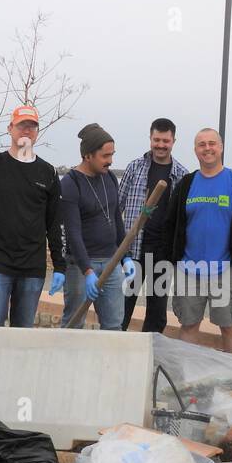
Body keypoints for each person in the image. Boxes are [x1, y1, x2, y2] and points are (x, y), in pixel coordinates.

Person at [0, 105, 66, 326]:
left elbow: (54, 223)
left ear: (37, 131)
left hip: (32, 269)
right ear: (10, 128)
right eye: (21, 126)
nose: (26, 131)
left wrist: (59, 266)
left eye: (31, 127)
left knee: (21, 339)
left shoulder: (49, 173)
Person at [161, 127, 232, 354]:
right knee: (188, 325)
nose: (207, 149)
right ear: (195, 150)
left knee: (230, 327)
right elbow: (171, 224)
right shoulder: (186, 184)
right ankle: (186, 377)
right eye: (201, 144)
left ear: (221, 146)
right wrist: (174, 258)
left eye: (212, 143)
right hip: (189, 269)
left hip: (226, 270)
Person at [59, 123, 136, 329]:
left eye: (112, 154)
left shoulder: (109, 178)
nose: (110, 161)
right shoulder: (70, 183)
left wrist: (125, 256)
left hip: (111, 262)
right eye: (105, 156)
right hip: (80, 265)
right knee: (74, 322)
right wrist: (87, 270)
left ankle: (110, 362)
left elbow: (116, 219)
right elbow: (73, 232)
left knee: (114, 324)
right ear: (87, 156)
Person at [119, 118, 188, 332]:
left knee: (157, 311)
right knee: (123, 305)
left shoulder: (182, 174)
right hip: (134, 249)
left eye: (165, 141)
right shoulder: (135, 168)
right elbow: (116, 207)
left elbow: (183, 217)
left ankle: (151, 354)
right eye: (156, 139)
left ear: (173, 141)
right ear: (150, 138)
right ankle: (115, 351)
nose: (160, 145)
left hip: (163, 251)